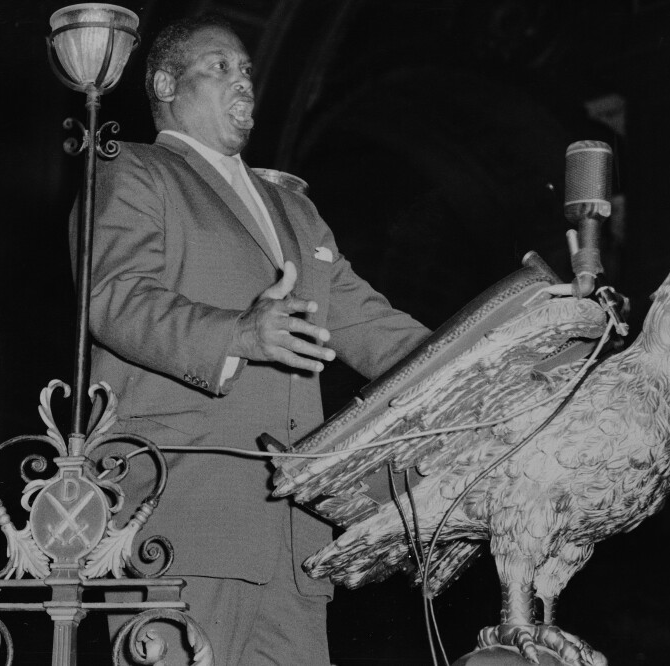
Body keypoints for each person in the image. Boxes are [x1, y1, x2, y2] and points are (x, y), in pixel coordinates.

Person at [79, 14, 431, 666]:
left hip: (295, 547)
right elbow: (114, 298)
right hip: (180, 523)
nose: (244, 80)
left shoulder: (295, 210)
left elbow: (370, 325)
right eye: (221, 67)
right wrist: (240, 334)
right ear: (163, 82)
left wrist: (486, 357)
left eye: (246, 69)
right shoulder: (133, 170)